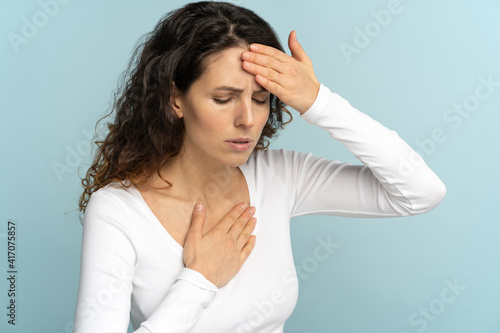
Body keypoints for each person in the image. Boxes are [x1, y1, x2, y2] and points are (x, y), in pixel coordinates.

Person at [73, 1, 446, 332]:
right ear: (175, 99)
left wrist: (319, 102)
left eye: (261, 98)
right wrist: (199, 281)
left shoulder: (280, 175)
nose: (248, 119)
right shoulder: (118, 210)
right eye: (224, 98)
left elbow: (420, 193)